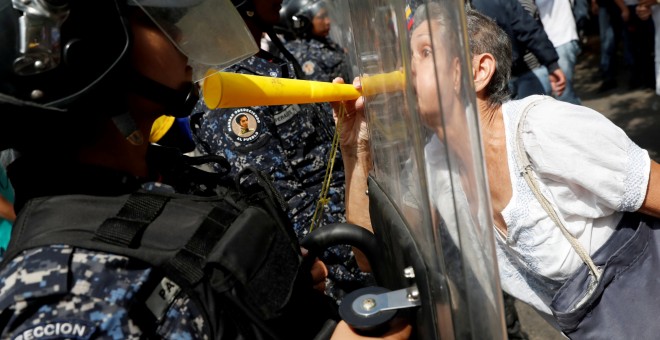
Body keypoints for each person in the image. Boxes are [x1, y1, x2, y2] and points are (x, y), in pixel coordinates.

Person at [0, 0, 407, 338]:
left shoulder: (157, 188)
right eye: (151, 20)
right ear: (92, 49)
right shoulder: (65, 295)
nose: (178, 35)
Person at [336, 2, 660, 333]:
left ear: (478, 71)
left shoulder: (543, 128)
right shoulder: (436, 165)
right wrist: (354, 148)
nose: (408, 68)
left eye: (425, 52)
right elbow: (374, 258)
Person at [192, 0, 369, 301]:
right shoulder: (233, 85)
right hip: (337, 272)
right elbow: (280, 200)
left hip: (356, 236)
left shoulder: (267, 61)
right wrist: (347, 266)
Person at [470, 0, 567, 99]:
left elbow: (529, 30)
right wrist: (552, 65)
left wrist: (552, 64)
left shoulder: (462, 10)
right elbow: (529, 30)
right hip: (518, 71)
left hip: (491, 80)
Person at [281, 0, 351, 82]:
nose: (328, 21)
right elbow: (322, 90)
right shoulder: (301, 53)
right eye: (321, 17)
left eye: (327, 15)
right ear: (303, 22)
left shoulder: (324, 41)